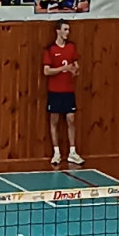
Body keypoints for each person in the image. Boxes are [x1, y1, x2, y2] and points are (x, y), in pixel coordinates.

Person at [42, 20, 83, 169]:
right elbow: (46, 71)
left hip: (68, 91)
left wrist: (74, 70)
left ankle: (72, 152)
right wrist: (62, 69)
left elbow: (76, 66)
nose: (67, 32)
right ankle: (56, 153)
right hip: (55, 91)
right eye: (65, 29)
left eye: (68, 30)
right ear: (58, 31)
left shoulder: (71, 47)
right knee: (54, 121)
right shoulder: (50, 49)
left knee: (71, 119)